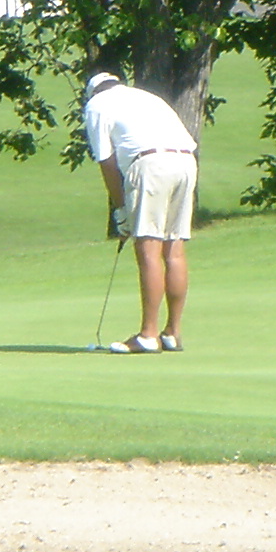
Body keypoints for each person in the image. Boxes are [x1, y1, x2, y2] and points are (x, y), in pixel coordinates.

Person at [82, 69, 197, 356]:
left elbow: (107, 162)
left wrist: (120, 210)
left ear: (92, 92)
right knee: (174, 249)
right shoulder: (145, 96)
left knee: (148, 250)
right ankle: (172, 333)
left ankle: (148, 335)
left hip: (150, 164)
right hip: (185, 163)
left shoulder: (96, 105)